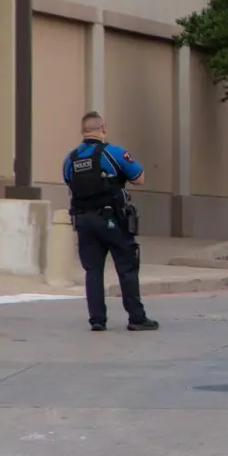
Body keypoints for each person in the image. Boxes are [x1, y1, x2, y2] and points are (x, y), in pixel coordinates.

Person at [62, 112, 158, 332]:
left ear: (82, 131)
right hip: (113, 220)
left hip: (84, 221)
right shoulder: (114, 153)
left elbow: (69, 183)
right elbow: (139, 178)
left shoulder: (70, 159)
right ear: (103, 128)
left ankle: (97, 319)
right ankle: (136, 318)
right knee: (126, 267)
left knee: (93, 271)